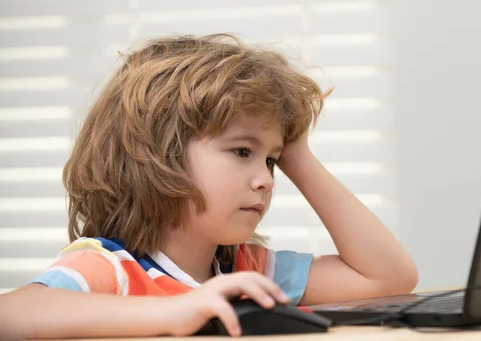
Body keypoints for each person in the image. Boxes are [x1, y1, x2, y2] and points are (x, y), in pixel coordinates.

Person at [0, 34, 418, 339]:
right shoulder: (112, 268)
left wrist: (298, 155)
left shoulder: (245, 270)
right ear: (159, 153)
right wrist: (178, 310)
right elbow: (11, 314)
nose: (266, 180)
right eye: (242, 152)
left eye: (271, 160)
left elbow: (388, 276)